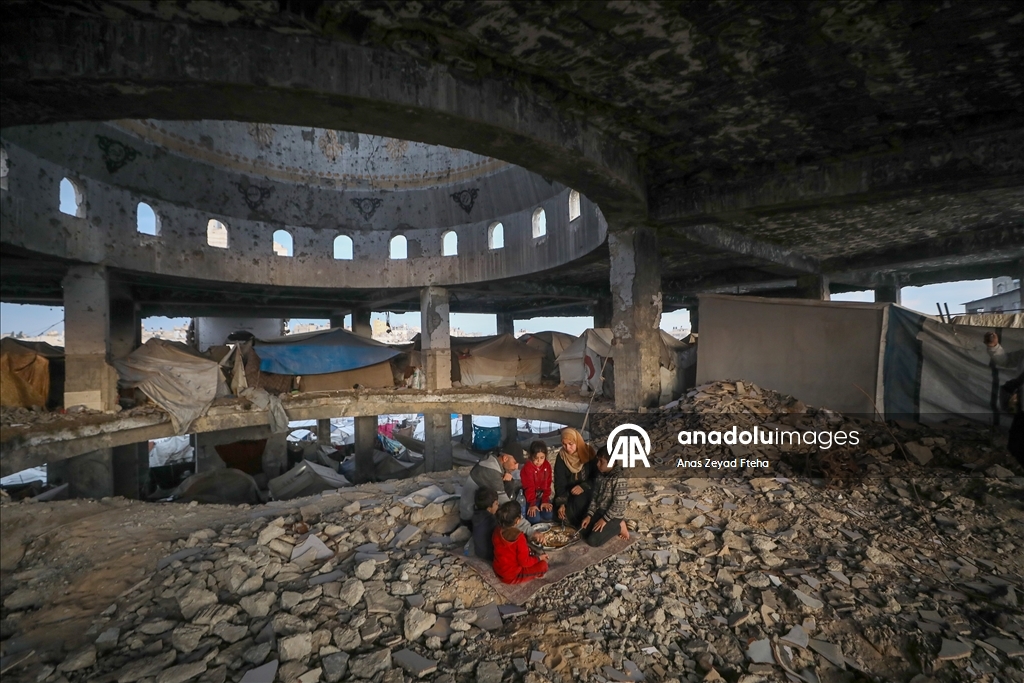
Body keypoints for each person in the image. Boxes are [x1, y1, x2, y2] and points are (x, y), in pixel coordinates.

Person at [580, 447, 630, 547]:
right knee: (582, 531)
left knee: (592, 541)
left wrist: (604, 520)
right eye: (597, 460)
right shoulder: (600, 475)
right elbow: (595, 498)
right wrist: (589, 515)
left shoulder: (619, 479)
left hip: (613, 516)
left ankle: (619, 526)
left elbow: (618, 505)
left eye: (601, 461)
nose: (598, 464)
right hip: (601, 511)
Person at [459, 450, 522, 526]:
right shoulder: (491, 472)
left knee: (509, 481)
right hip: (471, 517)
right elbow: (506, 504)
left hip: (478, 507)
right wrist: (521, 522)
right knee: (507, 520)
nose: (516, 467)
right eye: (515, 463)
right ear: (505, 458)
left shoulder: (492, 459)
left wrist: (506, 473)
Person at [491, 501, 549, 585]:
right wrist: (539, 558)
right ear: (518, 521)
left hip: (498, 568)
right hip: (511, 576)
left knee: (529, 551)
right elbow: (524, 563)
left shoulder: (497, 530)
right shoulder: (519, 537)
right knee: (544, 566)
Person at [553, 427, 596, 528]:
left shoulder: (588, 453)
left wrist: (583, 487)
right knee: (558, 513)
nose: (567, 448)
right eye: (564, 444)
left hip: (586, 490)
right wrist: (562, 504)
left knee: (580, 505)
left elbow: (596, 477)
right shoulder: (561, 456)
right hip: (568, 492)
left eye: (571, 444)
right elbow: (559, 482)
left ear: (577, 442)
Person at [521, 440, 554, 524]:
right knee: (535, 519)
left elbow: (547, 485)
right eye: (536, 458)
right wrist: (532, 504)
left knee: (549, 515)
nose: (539, 461)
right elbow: (529, 487)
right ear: (531, 456)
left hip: (542, 497)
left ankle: (541, 512)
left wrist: (545, 500)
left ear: (545, 456)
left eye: (542, 458)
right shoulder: (527, 468)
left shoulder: (547, 466)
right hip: (530, 498)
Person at [471, 488, 500, 561]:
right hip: (489, 555)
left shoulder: (476, 515)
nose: (498, 504)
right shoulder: (491, 521)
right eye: (496, 504)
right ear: (489, 509)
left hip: (479, 552)